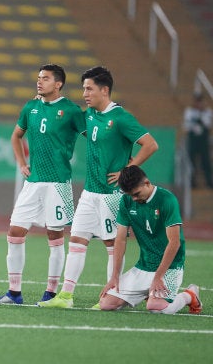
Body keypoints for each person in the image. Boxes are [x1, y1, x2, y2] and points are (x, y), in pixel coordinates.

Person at [39, 66, 158, 308]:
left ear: (104, 90)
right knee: (77, 240)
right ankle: (65, 296)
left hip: (112, 195)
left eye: (89, 89)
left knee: (111, 245)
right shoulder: (90, 114)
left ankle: (110, 295)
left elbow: (150, 144)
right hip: (90, 191)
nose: (84, 93)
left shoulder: (121, 117)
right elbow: (66, 113)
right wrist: (43, 100)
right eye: (83, 88)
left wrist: (128, 170)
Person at [0, 64, 84, 305]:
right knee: (15, 232)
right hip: (33, 182)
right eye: (39, 78)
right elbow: (16, 136)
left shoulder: (71, 110)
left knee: (55, 235)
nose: (39, 82)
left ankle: (51, 292)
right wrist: (21, 162)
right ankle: (14, 293)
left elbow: (92, 135)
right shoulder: (30, 107)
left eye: (46, 78)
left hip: (58, 182)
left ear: (58, 84)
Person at [99, 165, 202, 314]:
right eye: (130, 195)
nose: (134, 198)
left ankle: (189, 295)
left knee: (157, 308)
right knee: (106, 304)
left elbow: (175, 242)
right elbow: (120, 240)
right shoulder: (127, 201)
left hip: (170, 267)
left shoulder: (167, 200)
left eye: (136, 194)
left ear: (147, 183)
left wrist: (158, 276)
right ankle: (150, 293)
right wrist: (114, 277)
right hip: (144, 266)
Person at [183, 93, 213, 188]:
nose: (199, 104)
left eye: (200, 101)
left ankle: (209, 182)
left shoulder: (208, 112)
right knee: (192, 162)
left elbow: (208, 125)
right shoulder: (189, 112)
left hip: (203, 141)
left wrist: (201, 116)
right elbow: (186, 127)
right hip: (193, 141)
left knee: (206, 162)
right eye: (197, 101)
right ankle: (192, 183)